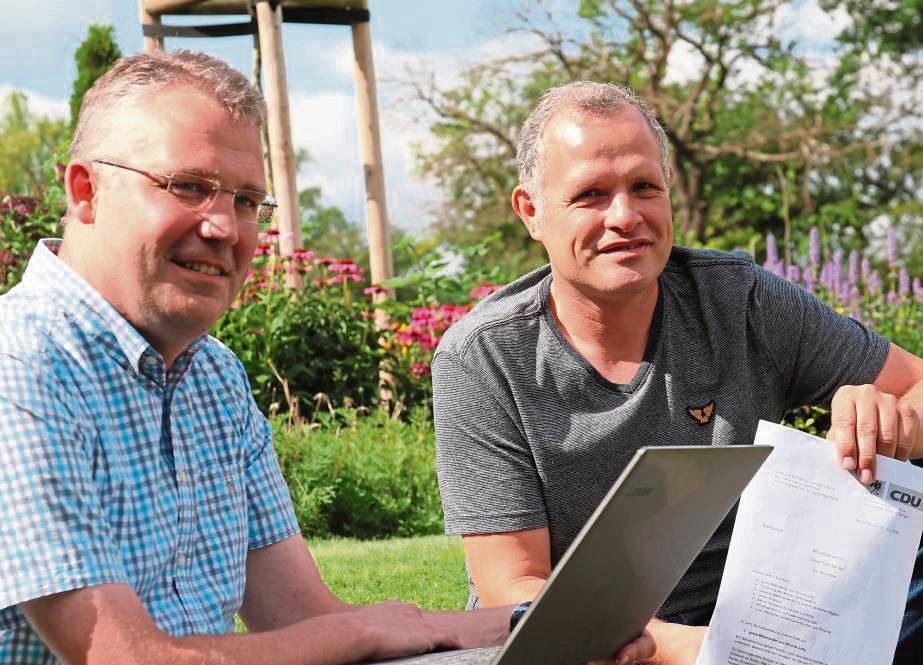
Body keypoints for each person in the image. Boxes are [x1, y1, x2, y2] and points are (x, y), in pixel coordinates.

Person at [0, 52, 656, 665]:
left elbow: (301, 618)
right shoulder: (20, 363)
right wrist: (368, 627)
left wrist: (568, 628)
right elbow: (122, 657)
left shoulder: (212, 375)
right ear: (85, 190)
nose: (223, 226)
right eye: (188, 185)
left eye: (247, 200)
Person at [432, 81, 923, 665]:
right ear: (531, 211)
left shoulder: (740, 300)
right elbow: (513, 589)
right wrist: (695, 651)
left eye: (644, 187)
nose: (625, 216)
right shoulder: (484, 357)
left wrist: (892, 419)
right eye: (590, 193)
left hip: (756, 609)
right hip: (588, 638)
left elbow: (915, 382)